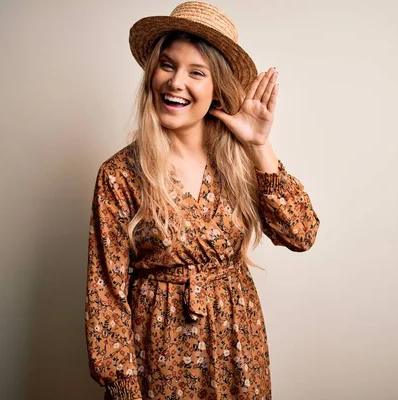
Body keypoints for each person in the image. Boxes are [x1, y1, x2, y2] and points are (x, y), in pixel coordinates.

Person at [84, 2, 320, 399]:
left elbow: (301, 233)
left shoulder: (239, 162)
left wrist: (260, 145)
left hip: (238, 349)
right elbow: (105, 290)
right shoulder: (120, 174)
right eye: (167, 65)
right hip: (156, 355)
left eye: (196, 72)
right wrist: (123, 384)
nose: (176, 83)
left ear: (216, 89)